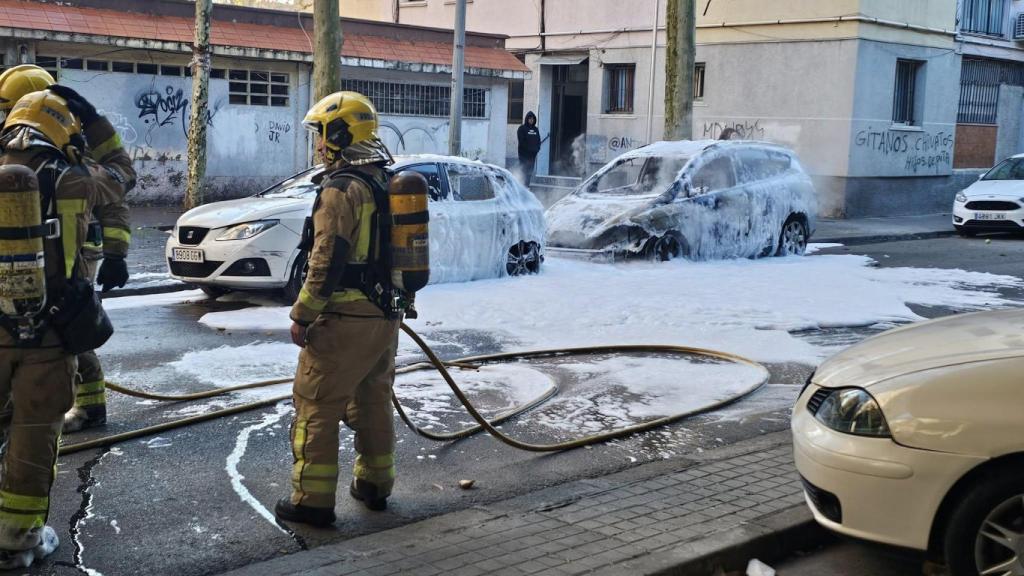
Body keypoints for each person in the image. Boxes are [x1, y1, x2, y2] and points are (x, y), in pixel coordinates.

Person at [0, 88, 135, 568]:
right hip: (50, 334)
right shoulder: (78, 178)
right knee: (34, 436)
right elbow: (123, 173)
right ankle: (17, 542)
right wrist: (94, 120)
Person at [275, 91, 401, 528]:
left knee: (316, 406)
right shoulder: (384, 181)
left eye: (322, 133)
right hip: (384, 316)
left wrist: (302, 313)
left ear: (341, 134)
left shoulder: (341, 189)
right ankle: (375, 484)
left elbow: (326, 259)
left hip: (344, 318)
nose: (318, 144)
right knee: (373, 400)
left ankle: (311, 501)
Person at [0, 66, 131, 433]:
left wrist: (116, 254)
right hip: (23, 264)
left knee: (67, 326)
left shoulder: (73, 157)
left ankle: (89, 407)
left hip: (75, 255)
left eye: (10, 110)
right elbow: (120, 175)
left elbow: (114, 204)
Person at [517, 111, 542, 187]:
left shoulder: (536, 129)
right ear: (527, 119)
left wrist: (537, 149)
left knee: (530, 172)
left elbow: (538, 140)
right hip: (524, 155)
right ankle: (521, 186)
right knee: (524, 171)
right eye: (530, 118)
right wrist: (528, 150)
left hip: (532, 155)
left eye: (532, 119)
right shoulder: (522, 128)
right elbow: (521, 142)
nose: (531, 120)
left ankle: (527, 186)